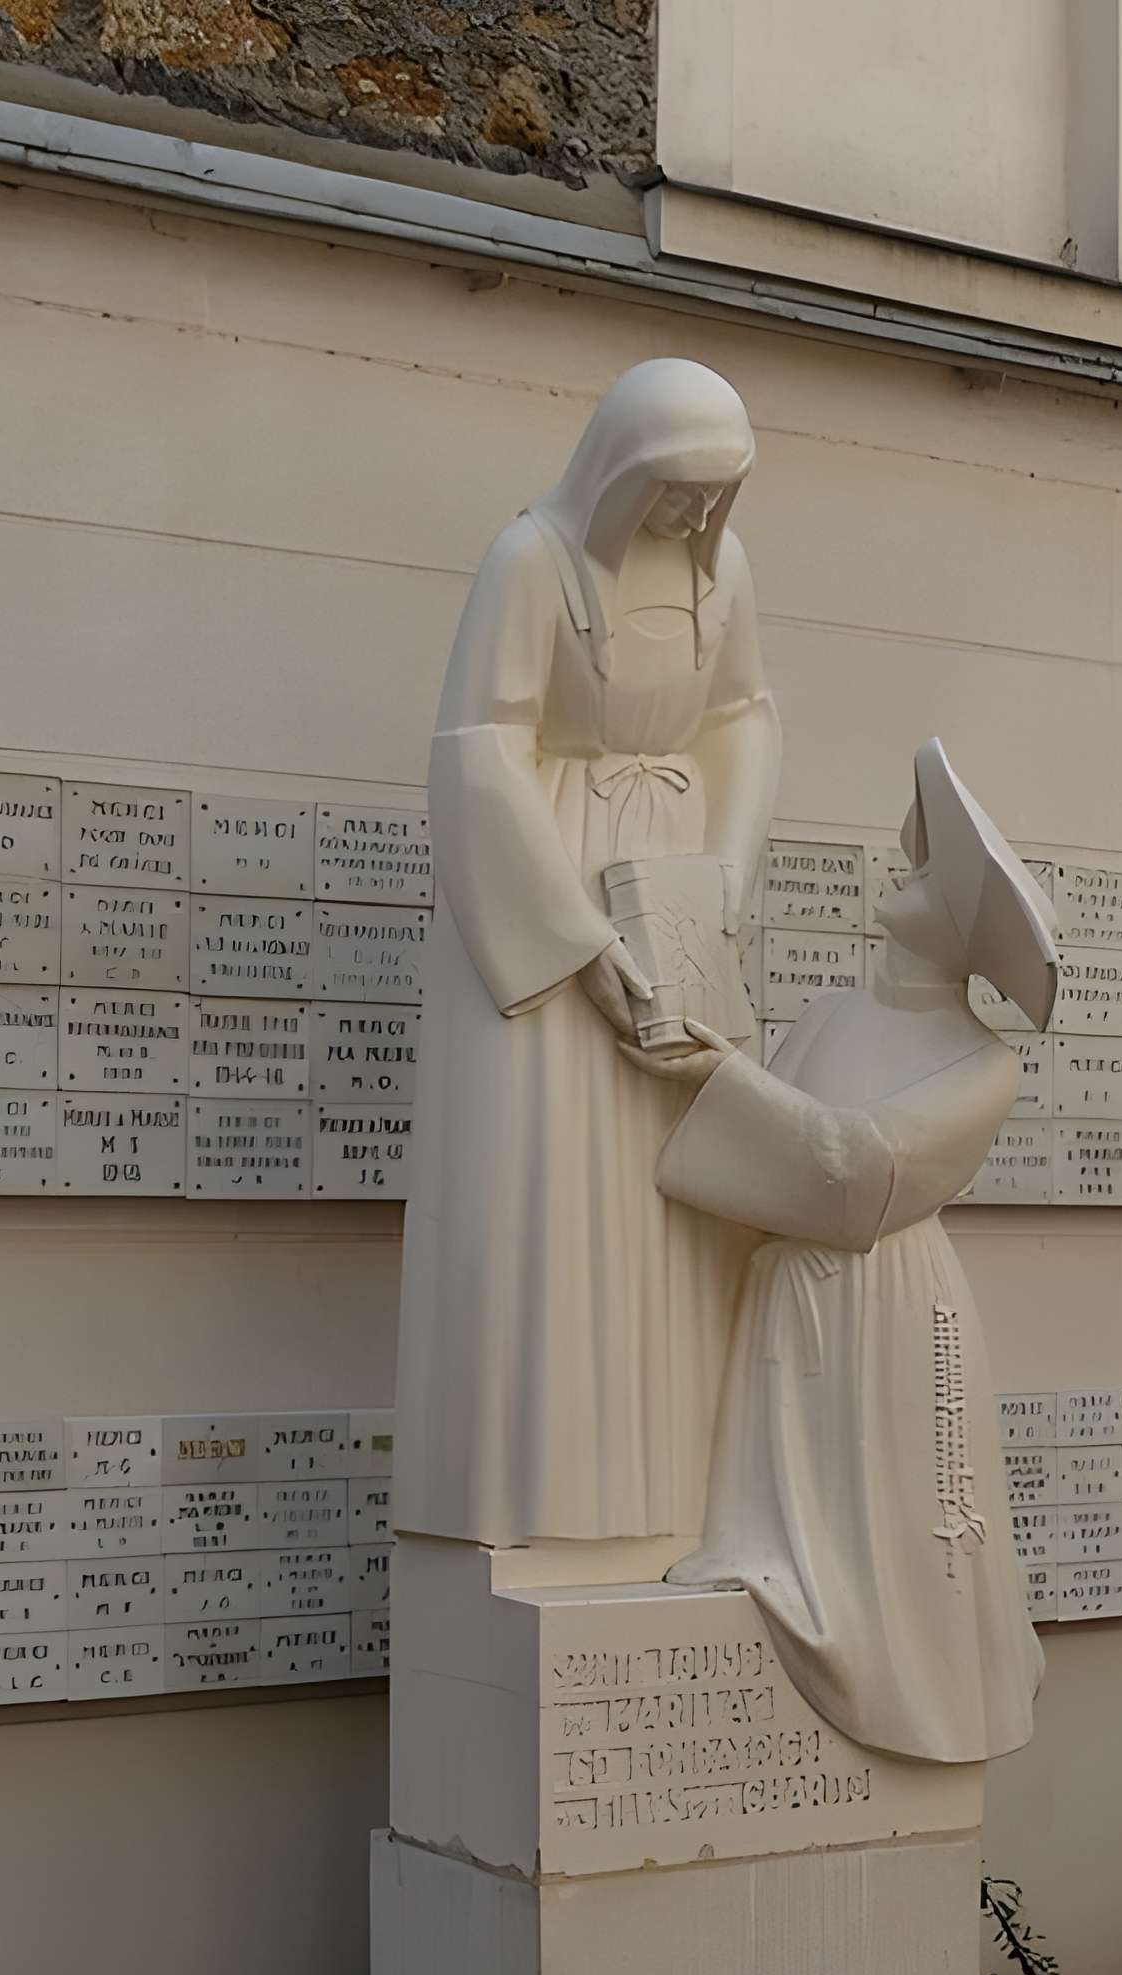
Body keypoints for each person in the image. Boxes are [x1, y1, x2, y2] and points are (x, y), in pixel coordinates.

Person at [396, 359, 780, 1549]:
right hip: (553, 884)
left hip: (672, 887)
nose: (691, 519)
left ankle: (671, 1499)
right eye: (672, 492)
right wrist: (571, 940)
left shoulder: (725, 577)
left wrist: (716, 877)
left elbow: (741, 720)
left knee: (673, 1189)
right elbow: (480, 747)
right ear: (618, 475)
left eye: (714, 498)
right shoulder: (531, 562)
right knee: (551, 1189)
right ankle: (546, 1497)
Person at [642, 741, 1053, 1764]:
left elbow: (861, 1172)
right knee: (792, 1488)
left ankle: (919, 1690)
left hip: (892, 1304)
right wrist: (711, 1064)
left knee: (897, 1527)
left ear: (953, 924)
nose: (893, 875)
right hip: (790, 1290)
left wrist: (721, 1078)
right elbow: (764, 1147)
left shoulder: (980, 1064)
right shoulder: (829, 1014)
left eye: (919, 876)